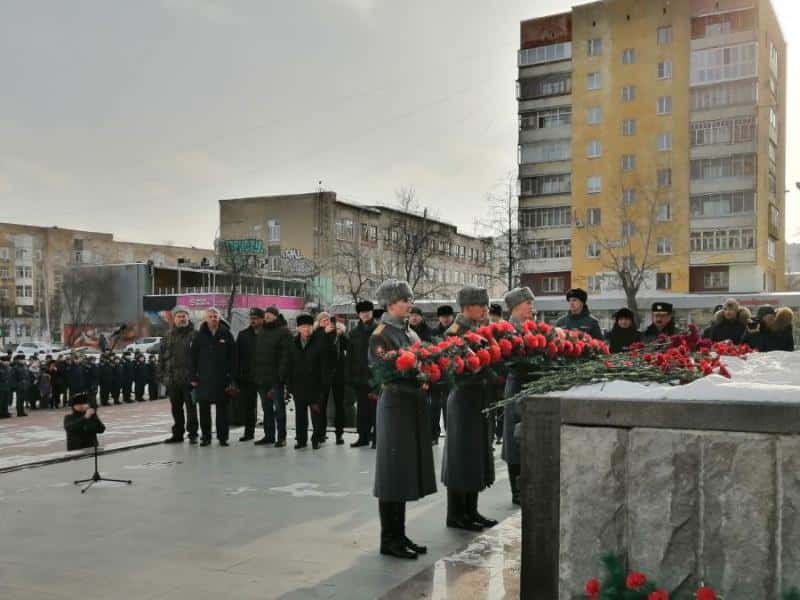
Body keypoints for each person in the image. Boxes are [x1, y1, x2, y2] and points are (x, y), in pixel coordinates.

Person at [370, 279, 436, 560]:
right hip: (395, 406)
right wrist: (415, 376)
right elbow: (381, 372)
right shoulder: (381, 335)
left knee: (404, 471)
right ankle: (389, 538)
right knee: (392, 473)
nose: (410, 303)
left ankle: (400, 533)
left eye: (410, 299)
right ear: (390, 303)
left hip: (411, 406)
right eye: (405, 300)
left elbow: (422, 361)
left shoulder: (410, 333)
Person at [442, 285, 497, 532]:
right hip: (463, 398)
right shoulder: (455, 331)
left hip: (478, 397)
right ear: (466, 307)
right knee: (460, 455)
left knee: (475, 454)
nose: (485, 309)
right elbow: (453, 367)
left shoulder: (479, 329)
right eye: (480, 305)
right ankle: (456, 514)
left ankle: (471, 510)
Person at [501, 286, 535, 506]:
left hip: (530, 384)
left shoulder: (529, 327)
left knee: (528, 437)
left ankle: (527, 485)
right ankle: (517, 490)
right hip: (516, 386)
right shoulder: (507, 329)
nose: (531, 307)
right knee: (515, 439)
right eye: (528, 303)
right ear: (516, 306)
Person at [190, 307, 236, 447]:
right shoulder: (199, 335)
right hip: (203, 379)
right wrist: (193, 377)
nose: (213, 319)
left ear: (219, 318)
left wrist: (232, 378)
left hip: (223, 379)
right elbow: (192, 358)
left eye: (215, 316)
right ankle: (206, 437)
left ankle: (223, 437)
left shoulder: (226, 334)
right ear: (206, 318)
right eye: (210, 316)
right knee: (204, 410)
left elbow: (233, 357)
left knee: (223, 410)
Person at [287, 313, 328, 449]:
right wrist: (289, 385)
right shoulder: (293, 343)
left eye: (309, 327)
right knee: (300, 415)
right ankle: (301, 440)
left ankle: (316, 439)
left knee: (316, 415)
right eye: (303, 327)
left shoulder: (319, 342)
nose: (306, 329)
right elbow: (288, 364)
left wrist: (323, 385)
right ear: (298, 328)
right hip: (298, 385)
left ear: (312, 327)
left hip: (315, 385)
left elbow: (324, 366)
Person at [160, 305, 199, 444]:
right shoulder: (168, 335)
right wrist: (161, 376)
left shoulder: (195, 334)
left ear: (188, 317)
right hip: (172, 379)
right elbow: (162, 357)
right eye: (179, 316)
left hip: (190, 379)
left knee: (191, 408)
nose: (181, 319)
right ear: (174, 319)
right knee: (176, 409)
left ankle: (193, 433)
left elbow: (200, 357)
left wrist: (197, 376)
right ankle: (177, 434)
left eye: (184, 316)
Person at [347, 300, 378, 448]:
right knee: (362, 409)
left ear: (372, 312)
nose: (365, 314)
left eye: (367, 311)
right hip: (359, 376)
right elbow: (350, 356)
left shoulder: (379, 330)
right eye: (362, 312)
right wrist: (350, 376)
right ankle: (363, 437)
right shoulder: (354, 333)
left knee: (375, 408)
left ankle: (377, 437)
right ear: (358, 314)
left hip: (375, 376)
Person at [314, 312, 348, 445]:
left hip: (338, 375)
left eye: (327, 319)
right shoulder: (316, 334)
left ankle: (339, 434)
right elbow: (317, 350)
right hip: (323, 376)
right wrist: (324, 334)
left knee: (340, 406)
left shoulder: (337, 333)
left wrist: (341, 334)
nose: (326, 321)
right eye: (322, 319)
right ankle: (321, 434)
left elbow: (347, 346)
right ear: (318, 322)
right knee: (321, 405)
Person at [429, 305, 455, 443]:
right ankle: (434, 434)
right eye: (443, 316)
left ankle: (450, 433)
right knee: (434, 405)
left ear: (452, 317)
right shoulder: (433, 332)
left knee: (448, 405)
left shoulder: (455, 330)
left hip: (451, 373)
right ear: (439, 317)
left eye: (448, 316)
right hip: (436, 372)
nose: (445, 319)